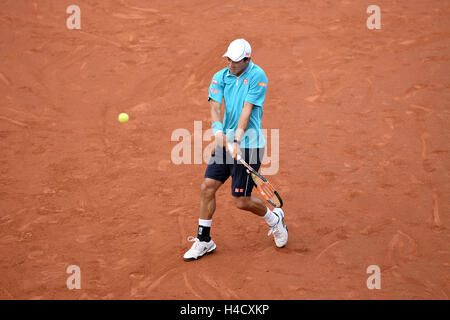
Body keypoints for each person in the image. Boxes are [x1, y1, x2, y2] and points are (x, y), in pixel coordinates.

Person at [183, 39, 288, 261]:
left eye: (235, 60)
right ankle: (204, 241)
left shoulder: (258, 76)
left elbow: (247, 110)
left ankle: (274, 219)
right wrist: (218, 131)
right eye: (228, 58)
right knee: (207, 187)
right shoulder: (220, 76)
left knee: (241, 201)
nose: (230, 63)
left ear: (247, 60)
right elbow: (214, 106)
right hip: (226, 142)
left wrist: (237, 138)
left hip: (250, 144)